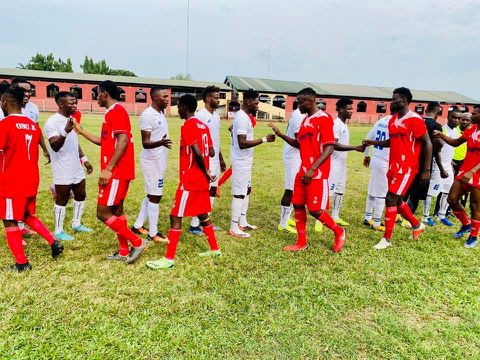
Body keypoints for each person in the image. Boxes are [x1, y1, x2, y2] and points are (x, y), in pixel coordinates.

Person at [75, 80, 147, 263]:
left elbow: (123, 141)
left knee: (102, 213)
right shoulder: (111, 114)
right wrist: (81, 132)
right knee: (116, 211)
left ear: (104, 94)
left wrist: (108, 169)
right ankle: (123, 251)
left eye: (97, 93)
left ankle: (137, 242)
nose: (96, 97)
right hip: (119, 172)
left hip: (117, 172)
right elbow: (105, 142)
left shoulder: (117, 111)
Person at [146, 94, 221, 269]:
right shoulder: (203, 126)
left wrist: (204, 171)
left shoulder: (188, 125)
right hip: (201, 180)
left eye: (178, 106)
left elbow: (197, 152)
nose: (177, 109)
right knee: (202, 213)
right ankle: (215, 249)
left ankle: (169, 259)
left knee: (175, 216)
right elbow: (210, 151)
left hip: (191, 179)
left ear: (185, 108)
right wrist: (207, 171)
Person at [269, 88, 346, 252]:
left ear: (311, 100)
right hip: (302, 171)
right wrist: (281, 134)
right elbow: (299, 144)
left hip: (317, 173)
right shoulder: (305, 121)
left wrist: (312, 169)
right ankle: (301, 242)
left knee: (316, 210)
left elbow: (330, 146)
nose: (298, 105)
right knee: (297, 204)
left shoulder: (324, 118)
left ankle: (339, 232)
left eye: (300, 101)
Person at [0, 86, 63, 272]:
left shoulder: (4, 125)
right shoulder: (32, 126)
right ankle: (53, 241)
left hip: (11, 181)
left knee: (9, 220)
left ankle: (21, 263)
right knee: (26, 215)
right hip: (30, 179)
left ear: (5, 102)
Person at [363, 87, 432, 250]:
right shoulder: (393, 119)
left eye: (394, 99)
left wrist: (426, 169)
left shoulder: (415, 119)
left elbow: (427, 142)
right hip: (393, 166)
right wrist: (372, 143)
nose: (391, 102)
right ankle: (416, 225)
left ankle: (386, 239)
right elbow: (391, 142)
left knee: (390, 198)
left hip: (407, 168)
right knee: (398, 200)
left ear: (404, 100)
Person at [44, 91, 94, 241]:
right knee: (62, 198)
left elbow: (74, 142)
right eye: (71, 103)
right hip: (62, 168)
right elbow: (55, 146)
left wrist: (85, 159)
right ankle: (58, 230)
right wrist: (65, 131)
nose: (75, 105)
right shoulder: (52, 122)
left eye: (75, 102)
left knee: (81, 194)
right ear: (61, 104)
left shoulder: (71, 119)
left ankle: (76, 224)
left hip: (75, 166)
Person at [228, 89, 275, 238]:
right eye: (256, 103)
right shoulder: (242, 118)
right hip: (240, 161)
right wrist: (264, 139)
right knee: (239, 194)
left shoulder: (245, 117)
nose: (257, 106)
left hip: (246, 161)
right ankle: (234, 227)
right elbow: (242, 143)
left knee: (246, 190)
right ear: (248, 102)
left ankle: (242, 221)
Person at [434, 112, 480, 247]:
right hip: (465, 171)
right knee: (452, 199)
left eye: (475, 113)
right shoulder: (471, 129)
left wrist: (472, 171)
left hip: (476, 173)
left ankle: (473, 236)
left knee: (475, 207)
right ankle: (466, 224)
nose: (472, 115)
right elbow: (456, 143)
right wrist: (442, 135)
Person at [131, 87, 172, 243]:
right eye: (164, 96)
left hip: (159, 161)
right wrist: (161, 142)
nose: (168, 99)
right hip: (151, 162)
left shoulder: (160, 112)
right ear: (155, 98)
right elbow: (145, 142)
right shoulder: (148, 115)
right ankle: (153, 233)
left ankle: (137, 225)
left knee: (151, 194)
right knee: (156, 196)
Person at [189, 86, 227, 235]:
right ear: (208, 99)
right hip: (205, 160)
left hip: (215, 160)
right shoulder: (200, 116)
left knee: (212, 189)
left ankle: (206, 223)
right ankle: (194, 224)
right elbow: (196, 141)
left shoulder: (216, 116)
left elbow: (215, 141)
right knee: (202, 191)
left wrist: (221, 158)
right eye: (216, 97)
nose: (219, 99)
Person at [403, 102, 445, 227]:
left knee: (405, 190)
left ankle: (398, 215)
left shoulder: (416, 120)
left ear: (426, 110)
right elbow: (437, 145)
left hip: (409, 160)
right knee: (416, 194)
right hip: (424, 165)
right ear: (437, 113)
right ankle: (407, 218)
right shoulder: (436, 125)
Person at [328, 98, 365, 226]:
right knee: (329, 192)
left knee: (340, 190)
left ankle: (335, 215)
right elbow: (333, 144)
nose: (351, 111)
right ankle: (320, 220)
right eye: (349, 109)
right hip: (333, 164)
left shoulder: (344, 124)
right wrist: (354, 147)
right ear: (342, 109)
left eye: (352, 109)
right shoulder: (336, 124)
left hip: (342, 164)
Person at [273, 107, 304, 234]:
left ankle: (287, 218)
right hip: (293, 157)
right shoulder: (298, 116)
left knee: (294, 189)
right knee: (290, 189)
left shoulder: (299, 114)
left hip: (295, 156)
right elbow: (298, 142)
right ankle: (283, 224)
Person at [362, 113, 392, 231]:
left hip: (376, 159)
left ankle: (367, 217)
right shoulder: (395, 122)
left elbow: (368, 137)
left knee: (372, 190)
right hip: (384, 161)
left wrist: (367, 155)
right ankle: (376, 222)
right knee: (382, 193)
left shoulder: (381, 121)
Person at [434, 109, 461, 225]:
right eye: (453, 117)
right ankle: (427, 216)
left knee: (447, 192)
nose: (456, 120)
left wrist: (450, 164)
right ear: (448, 116)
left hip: (448, 165)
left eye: (458, 118)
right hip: (438, 164)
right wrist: (441, 167)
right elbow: (437, 151)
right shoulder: (442, 129)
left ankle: (441, 215)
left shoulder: (456, 131)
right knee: (432, 192)